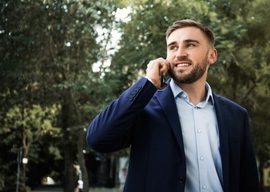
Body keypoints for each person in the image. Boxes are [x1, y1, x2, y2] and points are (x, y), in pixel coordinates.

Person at [86, 19, 260, 192]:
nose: (180, 53)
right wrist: (147, 83)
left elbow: (248, 183)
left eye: (190, 45)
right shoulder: (144, 106)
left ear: (212, 55)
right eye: (173, 47)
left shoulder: (236, 115)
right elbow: (98, 139)